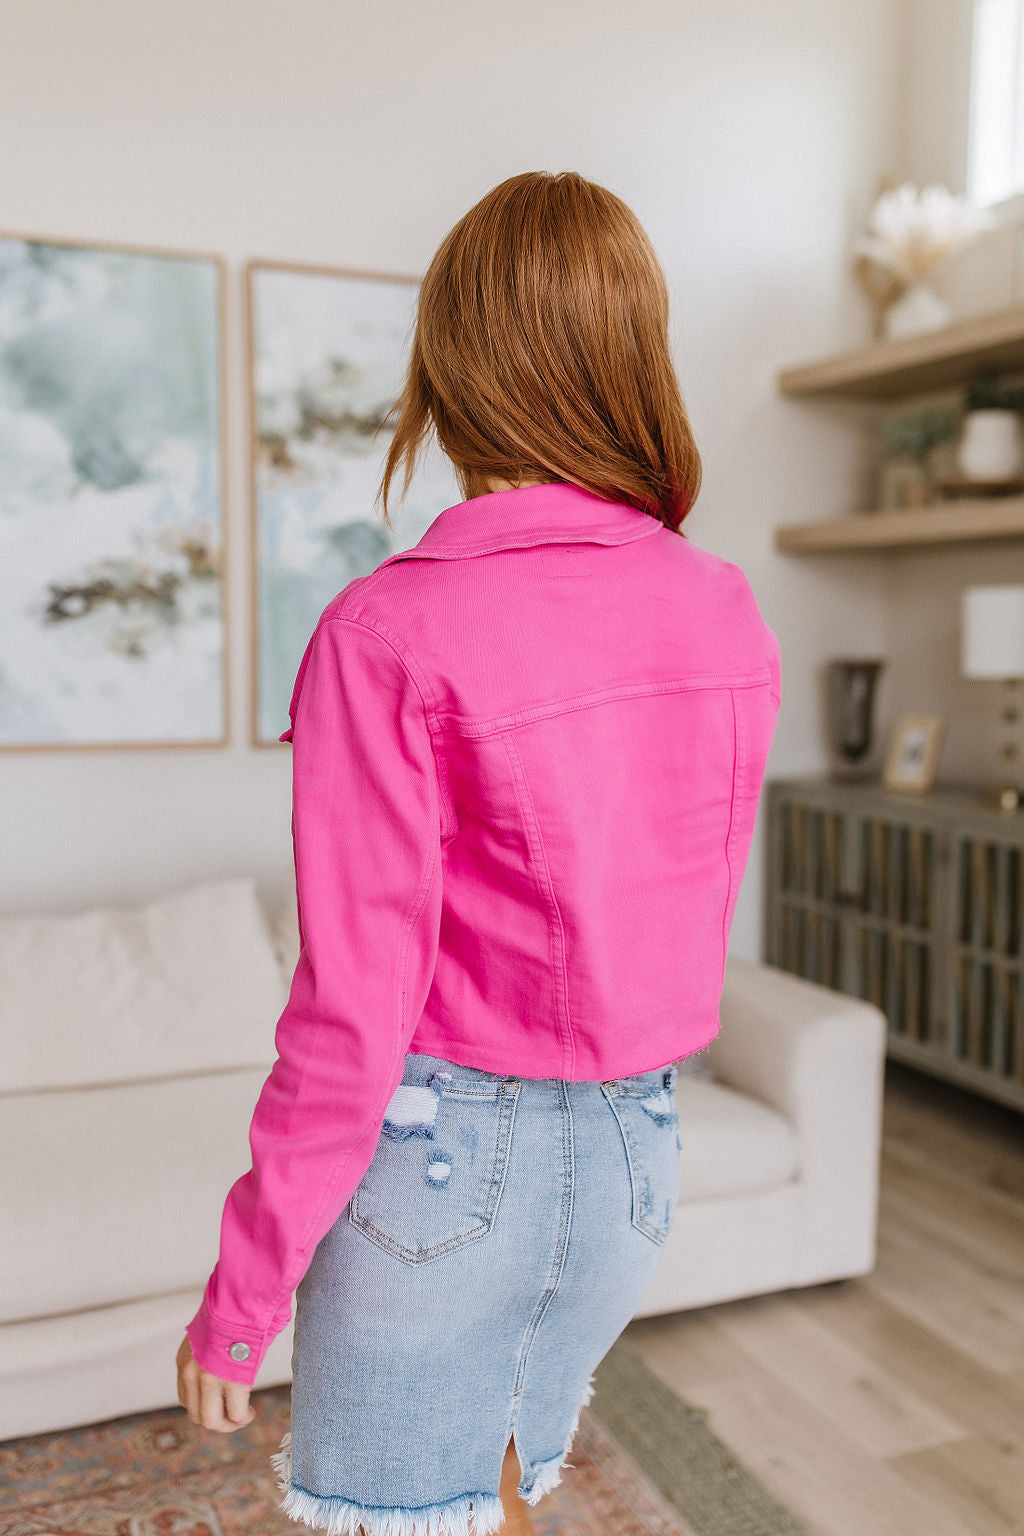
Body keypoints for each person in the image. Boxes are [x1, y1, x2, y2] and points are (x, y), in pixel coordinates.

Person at [176, 169, 782, 1536]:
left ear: (450, 367)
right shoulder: (724, 608)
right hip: (635, 1164)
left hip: (438, 1179)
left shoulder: (385, 633)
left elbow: (351, 1014)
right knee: (501, 1490)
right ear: (634, 357)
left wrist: (243, 1293)